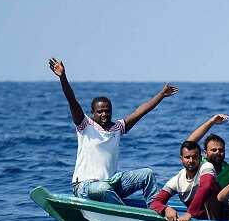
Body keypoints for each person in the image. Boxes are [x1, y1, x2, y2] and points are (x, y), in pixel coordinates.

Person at [49, 58, 176, 204]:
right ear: (92, 113)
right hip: (85, 187)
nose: (104, 114)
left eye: (107, 111)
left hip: (111, 183)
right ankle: (124, 214)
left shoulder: (117, 128)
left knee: (147, 174)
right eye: (100, 111)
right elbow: (72, 100)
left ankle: (156, 207)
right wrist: (63, 77)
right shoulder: (84, 125)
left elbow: (141, 111)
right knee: (103, 188)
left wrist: (161, 95)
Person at [148, 141, 218, 221]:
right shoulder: (177, 180)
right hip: (200, 218)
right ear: (181, 159)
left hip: (222, 215)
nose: (191, 160)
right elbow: (155, 202)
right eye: (187, 157)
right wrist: (166, 209)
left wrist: (190, 213)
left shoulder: (207, 167)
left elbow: (206, 186)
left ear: (200, 157)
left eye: (194, 157)